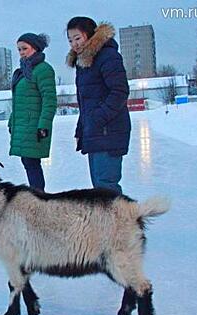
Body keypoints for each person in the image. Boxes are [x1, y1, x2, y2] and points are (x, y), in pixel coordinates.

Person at [66, 17, 131, 194]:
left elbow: (119, 92)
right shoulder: (84, 63)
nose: (74, 44)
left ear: (90, 35)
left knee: (107, 188)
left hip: (109, 131)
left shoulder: (107, 56)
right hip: (95, 132)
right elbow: (87, 102)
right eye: (70, 40)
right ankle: (109, 222)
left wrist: (98, 119)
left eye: (77, 38)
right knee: (99, 189)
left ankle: (120, 222)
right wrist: (82, 129)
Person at [8, 32, 57, 192]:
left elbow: (49, 101)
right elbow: (19, 102)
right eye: (19, 49)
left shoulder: (43, 70)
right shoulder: (23, 71)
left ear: (35, 48)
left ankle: (38, 197)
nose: (21, 52)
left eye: (24, 48)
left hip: (33, 125)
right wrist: (11, 121)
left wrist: (43, 125)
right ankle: (36, 196)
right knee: (28, 162)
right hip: (22, 125)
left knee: (32, 162)